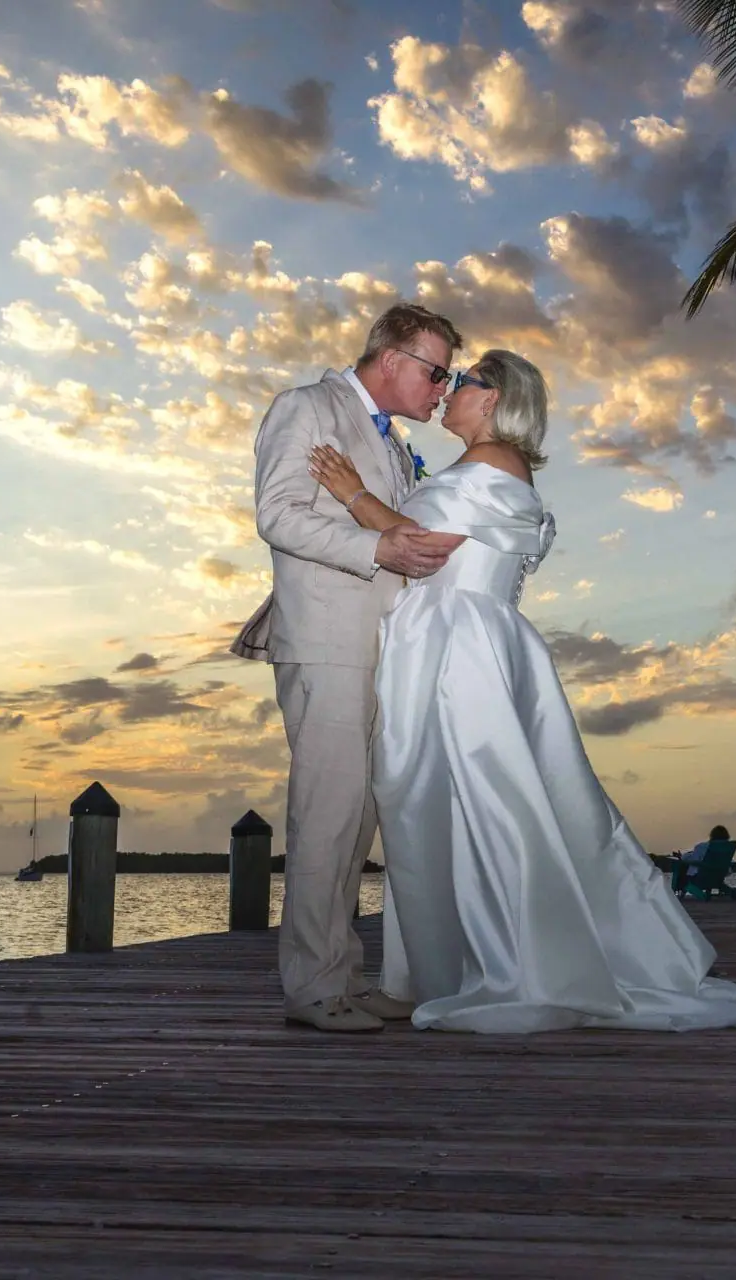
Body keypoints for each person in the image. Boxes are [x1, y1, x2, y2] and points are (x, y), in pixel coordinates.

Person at [306, 348, 736, 1034]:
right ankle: (428, 973)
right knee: (425, 802)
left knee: (486, 800)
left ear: (494, 398)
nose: (448, 391)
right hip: (437, 638)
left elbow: (424, 544)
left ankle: (513, 965)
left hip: (461, 645)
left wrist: (352, 493)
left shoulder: (496, 461)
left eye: (461, 382)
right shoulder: (479, 464)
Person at [232, 303, 469, 1034]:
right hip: (328, 636)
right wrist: (376, 549)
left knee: (360, 816)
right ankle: (310, 989)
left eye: (450, 376)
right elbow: (277, 515)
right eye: (437, 371)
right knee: (327, 813)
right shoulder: (307, 407)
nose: (443, 386)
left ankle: (342, 972)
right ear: (392, 358)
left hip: (380, 643)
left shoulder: (392, 444)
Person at [673, 825, 731, 895]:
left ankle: (678, 889)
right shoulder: (727, 848)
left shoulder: (701, 846)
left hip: (699, 879)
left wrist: (684, 860)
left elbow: (694, 863)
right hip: (718, 878)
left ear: (712, 835)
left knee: (682, 867)